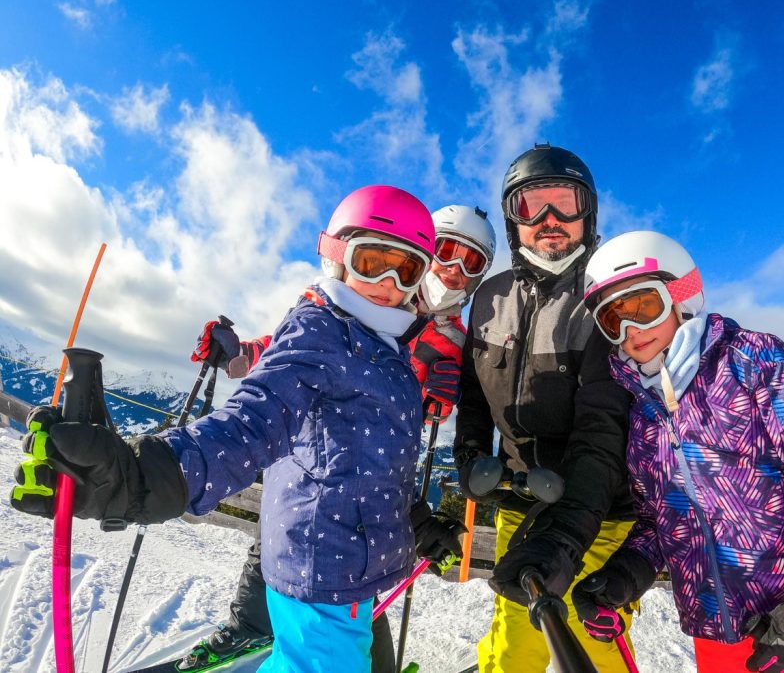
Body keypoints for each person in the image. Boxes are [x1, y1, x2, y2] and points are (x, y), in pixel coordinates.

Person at [10, 185, 461, 673]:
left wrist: (418, 523)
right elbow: (250, 422)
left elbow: (373, 461)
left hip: (356, 564)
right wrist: (143, 477)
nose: (389, 282)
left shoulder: (391, 347)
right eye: (372, 261)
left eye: (408, 268)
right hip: (326, 562)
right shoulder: (322, 332)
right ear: (336, 255)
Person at [180, 204, 497, 672]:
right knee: (284, 531)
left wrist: (433, 400)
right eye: (446, 251)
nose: (452, 271)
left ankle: (361, 655)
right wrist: (240, 352)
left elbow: (441, 407)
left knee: (354, 572)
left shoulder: (454, 339)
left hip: (372, 473)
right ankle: (250, 627)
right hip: (313, 452)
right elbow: (295, 357)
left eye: (470, 262)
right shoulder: (360, 294)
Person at [571, 230, 784, 673]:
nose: (630, 330)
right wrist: (622, 575)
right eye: (612, 320)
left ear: (682, 298)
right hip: (717, 625)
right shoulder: (641, 416)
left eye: (642, 307)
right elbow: (660, 522)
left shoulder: (753, 361)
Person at [454, 144, 636, 672]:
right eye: (532, 207)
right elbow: (472, 393)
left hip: (599, 511)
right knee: (518, 638)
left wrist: (567, 532)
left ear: (589, 214)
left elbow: (605, 428)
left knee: (588, 635)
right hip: (520, 503)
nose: (550, 221)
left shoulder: (604, 298)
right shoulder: (490, 298)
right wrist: (469, 456)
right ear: (514, 220)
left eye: (565, 204)